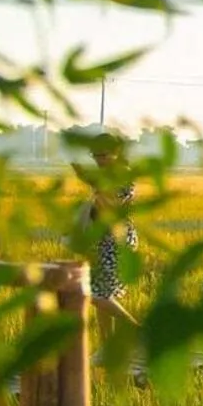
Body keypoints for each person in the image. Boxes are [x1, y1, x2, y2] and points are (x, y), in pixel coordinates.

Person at [71, 127, 138, 336]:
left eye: (104, 155)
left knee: (95, 294)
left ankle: (137, 330)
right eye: (95, 155)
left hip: (116, 241)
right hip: (103, 240)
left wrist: (94, 185)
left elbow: (112, 208)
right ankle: (106, 345)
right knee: (104, 295)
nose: (99, 160)